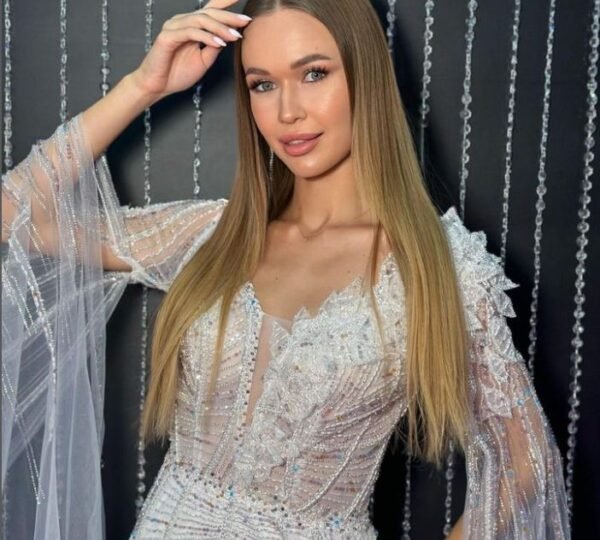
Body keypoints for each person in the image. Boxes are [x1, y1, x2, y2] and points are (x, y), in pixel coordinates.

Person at [1, 0, 571, 538]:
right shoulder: (215, 236)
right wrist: (142, 86)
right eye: (262, 84)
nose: (288, 111)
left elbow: (526, 464)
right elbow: (12, 212)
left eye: (314, 74)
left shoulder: (438, 266)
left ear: (365, 76)